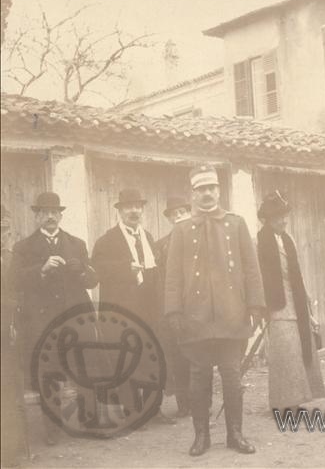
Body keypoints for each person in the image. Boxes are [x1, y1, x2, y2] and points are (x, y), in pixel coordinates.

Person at [164, 163, 265, 457]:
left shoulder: (236, 223)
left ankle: (235, 434)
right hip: (195, 319)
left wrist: (256, 304)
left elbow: (251, 268)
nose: (206, 194)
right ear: (192, 194)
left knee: (232, 377)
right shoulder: (182, 229)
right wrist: (173, 311)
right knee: (199, 378)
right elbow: (172, 275)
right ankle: (201, 436)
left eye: (211, 188)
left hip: (232, 315)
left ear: (219, 191)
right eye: (200, 189)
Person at [11, 192, 98, 445]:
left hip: (74, 319)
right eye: (44, 213)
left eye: (54, 212)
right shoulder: (23, 248)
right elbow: (13, 281)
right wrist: (41, 269)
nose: (50, 217)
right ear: (37, 216)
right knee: (48, 373)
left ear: (60, 215)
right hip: (41, 322)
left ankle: (90, 420)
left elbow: (93, 280)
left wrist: (81, 270)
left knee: (83, 368)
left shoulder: (77, 243)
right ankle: (52, 428)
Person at [91, 188, 175, 425]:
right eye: (128, 206)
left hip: (149, 309)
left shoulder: (147, 237)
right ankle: (131, 412)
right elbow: (97, 270)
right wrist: (124, 269)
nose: (134, 211)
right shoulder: (107, 240)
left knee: (151, 357)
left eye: (138, 206)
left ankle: (153, 409)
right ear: (119, 210)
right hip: (123, 310)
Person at [256, 191, 325, 411]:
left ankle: (298, 400)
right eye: (278, 217)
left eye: (284, 216)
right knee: (285, 353)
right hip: (276, 305)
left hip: (295, 303)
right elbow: (255, 275)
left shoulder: (288, 239)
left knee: (299, 351)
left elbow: (298, 274)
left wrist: (306, 301)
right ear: (267, 220)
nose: (283, 220)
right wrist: (259, 306)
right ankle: (283, 403)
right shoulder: (259, 241)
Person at [156, 196, 193, 418]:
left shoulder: (202, 239)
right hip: (175, 309)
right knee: (178, 356)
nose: (178, 217)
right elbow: (160, 280)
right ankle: (184, 405)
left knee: (199, 357)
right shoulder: (161, 245)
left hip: (198, 308)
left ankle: (202, 402)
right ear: (169, 219)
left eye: (182, 212)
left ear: (189, 213)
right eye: (173, 214)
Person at [1, 204, 28, 465]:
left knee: (10, 389)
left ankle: (12, 448)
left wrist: (15, 314)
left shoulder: (13, 258)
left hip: (8, 336)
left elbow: (22, 291)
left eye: (4, 230)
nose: (1, 235)